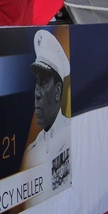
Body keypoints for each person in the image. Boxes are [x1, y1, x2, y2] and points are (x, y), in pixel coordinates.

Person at [21, 29, 72, 192]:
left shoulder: (74, 134)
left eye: (43, 83)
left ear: (57, 91)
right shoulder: (30, 154)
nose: (37, 93)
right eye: (36, 83)